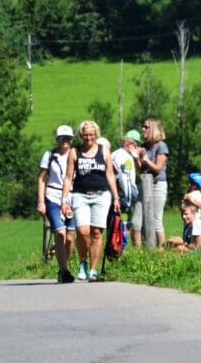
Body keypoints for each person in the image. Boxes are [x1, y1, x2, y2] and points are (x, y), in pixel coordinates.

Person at [60, 121, 121, 282]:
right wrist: (64, 200)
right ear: (81, 135)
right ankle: (82, 262)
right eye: (85, 135)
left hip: (102, 195)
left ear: (96, 135)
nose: (88, 138)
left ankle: (93, 270)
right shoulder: (75, 152)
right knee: (82, 231)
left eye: (91, 135)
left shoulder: (104, 151)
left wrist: (116, 197)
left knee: (96, 233)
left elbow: (110, 175)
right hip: (80, 195)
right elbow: (68, 178)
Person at [36, 125, 77, 283]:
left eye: (68, 138)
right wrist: (41, 202)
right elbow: (41, 179)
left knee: (70, 237)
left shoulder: (75, 155)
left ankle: (64, 266)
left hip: (71, 198)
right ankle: (64, 270)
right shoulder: (49, 155)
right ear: (57, 140)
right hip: (53, 197)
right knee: (60, 233)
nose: (65, 141)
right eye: (62, 138)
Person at [131, 118, 169, 247]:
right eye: (143, 126)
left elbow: (158, 168)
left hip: (158, 185)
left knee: (156, 220)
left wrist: (145, 158)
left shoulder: (162, 146)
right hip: (145, 185)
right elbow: (141, 170)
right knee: (136, 222)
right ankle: (137, 254)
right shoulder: (145, 146)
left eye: (146, 127)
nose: (143, 129)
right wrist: (136, 158)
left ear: (153, 129)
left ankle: (162, 252)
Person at [111, 130, 142, 213]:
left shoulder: (116, 154)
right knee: (125, 220)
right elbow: (123, 177)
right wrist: (126, 200)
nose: (137, 146)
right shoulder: (123, 156)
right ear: (130, 143)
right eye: (137, 143)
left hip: (120, 192)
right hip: (125, 192)